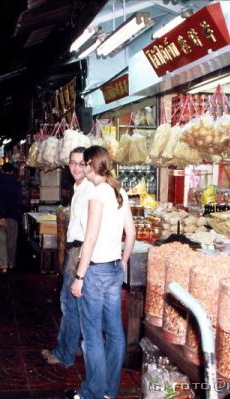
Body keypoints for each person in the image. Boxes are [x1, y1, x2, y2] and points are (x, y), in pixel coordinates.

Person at [68, 146, 135, 399]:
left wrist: (80, 276)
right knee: (115, 331)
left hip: (95, 272)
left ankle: (93, 393)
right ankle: (109, 390)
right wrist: (123, 262)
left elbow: (91, 238)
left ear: (88, 165)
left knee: (92, 335)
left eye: (82, 164)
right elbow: (132, 234)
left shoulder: (96, 194)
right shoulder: (119, 192)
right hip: (115, 268)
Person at [41, 147, 93, 366]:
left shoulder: (90, 190)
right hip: (76, 250)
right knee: (76, 305)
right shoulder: (79, 187)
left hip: (79, 252)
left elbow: (91, 229)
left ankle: (64, 354)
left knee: (69, 304)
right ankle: (73, 346)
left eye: (81, 163)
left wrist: (80, 261)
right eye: (72, 163)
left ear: (89, 165)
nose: (76, 168)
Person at [0, 163, 22, 273]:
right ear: (12, 171)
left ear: (2, 171)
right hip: (13, 216)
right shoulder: (17, 184)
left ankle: (3, 266)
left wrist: (0, 215)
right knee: (12, 241)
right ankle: (11, 263)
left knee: (1, 242)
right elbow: (19, 201)